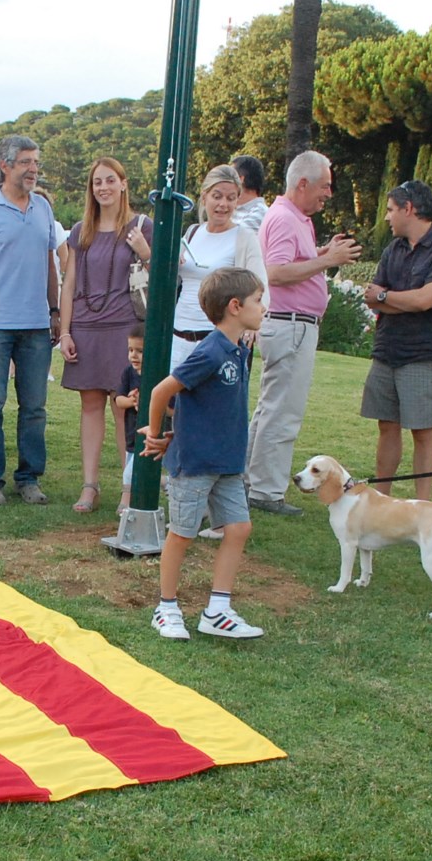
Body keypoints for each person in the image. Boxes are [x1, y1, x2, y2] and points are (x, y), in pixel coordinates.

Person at [140, 267, 267, 641]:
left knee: (239, 528)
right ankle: (165, 608)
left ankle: (218, 610)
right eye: (258, 301)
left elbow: (209, 407)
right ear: (234, 306)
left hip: (227, 463)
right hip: (195, 464)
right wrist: (157, 434)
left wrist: (177, 430)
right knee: (182, 533)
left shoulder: (240, 349)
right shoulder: (210, 351)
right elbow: (162, 392)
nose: (263, 308)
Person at [245, 150, 363, 515]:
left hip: (292, 325)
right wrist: (328, 260)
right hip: (291, 324)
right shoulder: (283, 218)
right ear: (302, 183)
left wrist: (321, 251)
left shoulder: (296, 218)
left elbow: (293, 262)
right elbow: (275, 272)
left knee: (271, 409)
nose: (329, 193)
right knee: (283, 412)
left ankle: (248, 479)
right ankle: (265, 491)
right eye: (325, 186)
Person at [0, 136, 60, 505]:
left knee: (34, 407)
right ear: (4, 166)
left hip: (36, 325)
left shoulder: (43, 208)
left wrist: (53, 311)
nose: (33, 168)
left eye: (35, 161)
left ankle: (29, 477)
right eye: (24, 162)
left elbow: (50, 263)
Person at [360, 180, 432, 501]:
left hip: (424, 354)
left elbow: (425, 299)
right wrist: (399, 298)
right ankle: (381, 499)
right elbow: (372, 298)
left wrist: (390, 297)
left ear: (409, 209)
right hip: (387, 350)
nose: (387, 217)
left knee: (422, 431)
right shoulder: (394, 249)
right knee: (386, 426)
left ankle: (423, 505)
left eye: (391, 210)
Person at [59, 156, 152, 513]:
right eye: (98, 182)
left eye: (110, 180)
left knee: (124, 407)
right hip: (86, 325)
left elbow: (164, 275)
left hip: (126, 329)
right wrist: (65, 332)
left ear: (123, 183)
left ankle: (129, 488)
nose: (104, 188)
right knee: (91, 404)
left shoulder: (142, 226)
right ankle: (90, 486)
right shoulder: (80, 231)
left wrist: (145, 253)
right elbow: (68, 286)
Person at [176, 165, 269, 370]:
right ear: (205, 197)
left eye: (231, 198)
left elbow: (260, 286)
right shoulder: (192, 232)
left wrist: (250, 326)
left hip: (215, 340)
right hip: (178, 334)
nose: (223, 204)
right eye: (217, 196)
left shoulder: (244, 238)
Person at [111, 325, 145, 512]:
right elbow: (118, 399)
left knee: (130, 473)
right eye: (130, 350)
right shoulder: (128, 373)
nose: (134, 355)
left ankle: (126, 503)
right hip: (132, 434)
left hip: (149, 433)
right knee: (131, 464)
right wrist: (132, 400)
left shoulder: (155, 373)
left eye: (140, 351)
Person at [231, 154, 268, 233]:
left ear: (240, 179)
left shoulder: (259, 213)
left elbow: (229, 241)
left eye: (229, 177)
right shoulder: (233, 210)